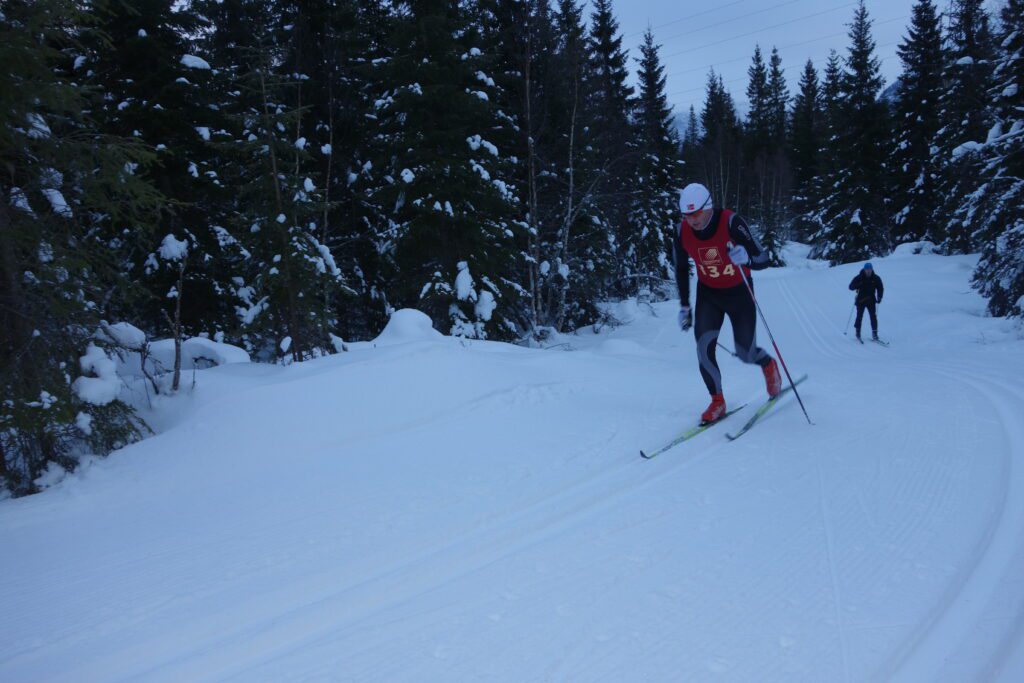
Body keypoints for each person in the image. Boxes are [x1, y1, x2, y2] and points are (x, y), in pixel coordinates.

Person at [673, 182, 781, 424]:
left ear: (708, 207)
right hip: (709, 294)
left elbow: (764, 258)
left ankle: (768, 364)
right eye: (687, 215)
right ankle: (717, 401)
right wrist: (684, 306)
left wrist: (747, 259)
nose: (693, 220)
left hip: (739, 292)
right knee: (703, 347)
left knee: (745, 351)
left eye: (697, 213)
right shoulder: (681, 231)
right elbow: (680, 268)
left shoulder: (731, 222)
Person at [848, 262, 884, 341]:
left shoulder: (876, 278)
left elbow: (880, 287)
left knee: (873, 317)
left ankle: (875, 334)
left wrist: (879, 296)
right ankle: (858, 333)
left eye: (870, 269)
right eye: (867, 269)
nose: (868, 271)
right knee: (859, 317)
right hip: (861, 300)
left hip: (871, 300)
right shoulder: (859, 277)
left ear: (872, 270)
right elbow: (850, 287)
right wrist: (857, 285)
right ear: (864, 270)